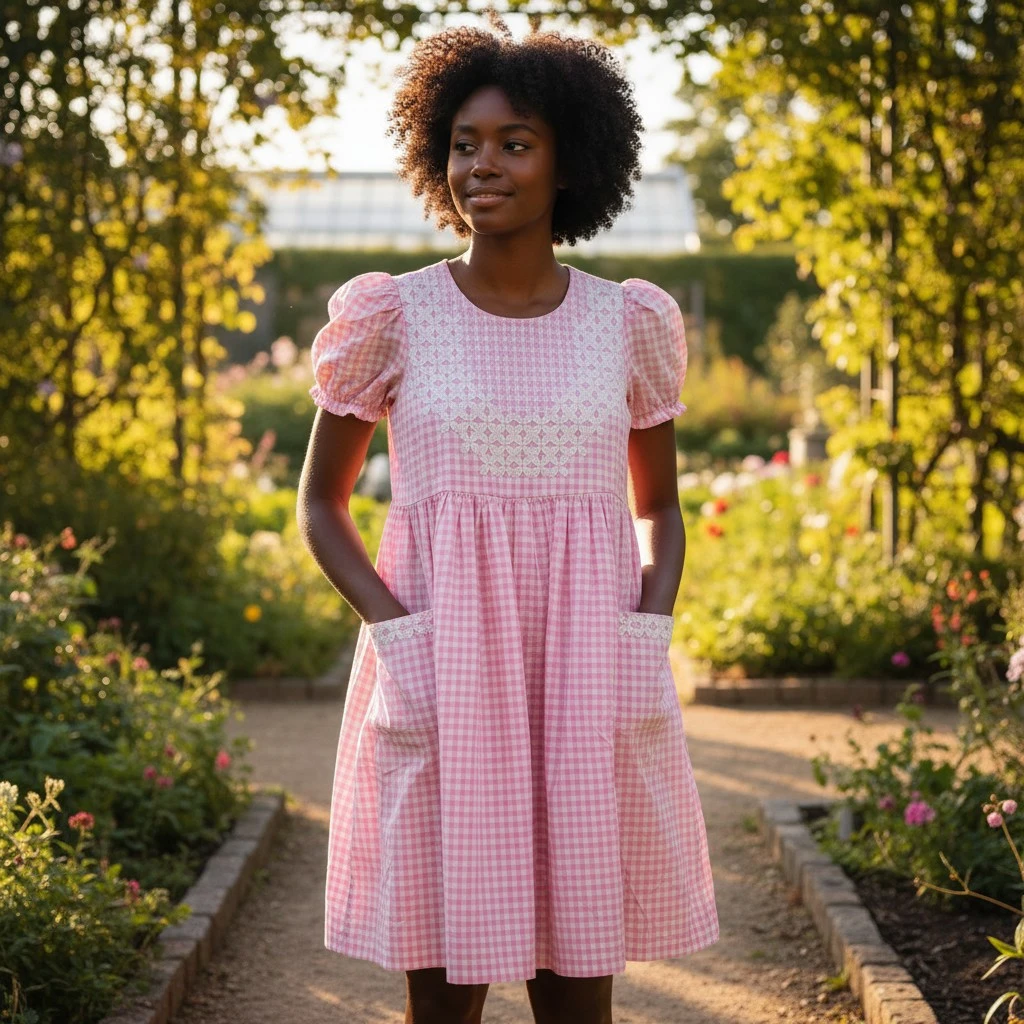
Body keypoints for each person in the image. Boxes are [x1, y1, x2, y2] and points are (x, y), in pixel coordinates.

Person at [296, 13, 719, 1024]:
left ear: (568, 163)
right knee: (441, 990)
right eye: (464, 144)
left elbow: (657, 506)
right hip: (439, 664)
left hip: (587, 667)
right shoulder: (390, 313)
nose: (481, 166)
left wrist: (644, 633)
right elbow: (320, 502)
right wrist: (400, 633)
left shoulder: (630, 322)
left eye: (513, 144)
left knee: (578, 992)